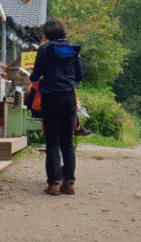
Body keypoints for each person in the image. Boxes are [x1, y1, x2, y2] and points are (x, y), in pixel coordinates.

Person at [29, 17, 83, 195]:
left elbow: (35, 76)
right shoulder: (72, 49)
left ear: (46, 33)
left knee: (52, 142)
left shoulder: (44, 49)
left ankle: (53, 184)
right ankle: (69, 182)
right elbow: (80, 76)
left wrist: (38, 77)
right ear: (63, 31)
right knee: (68, 142)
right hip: (68, 98)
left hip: (51, 98)